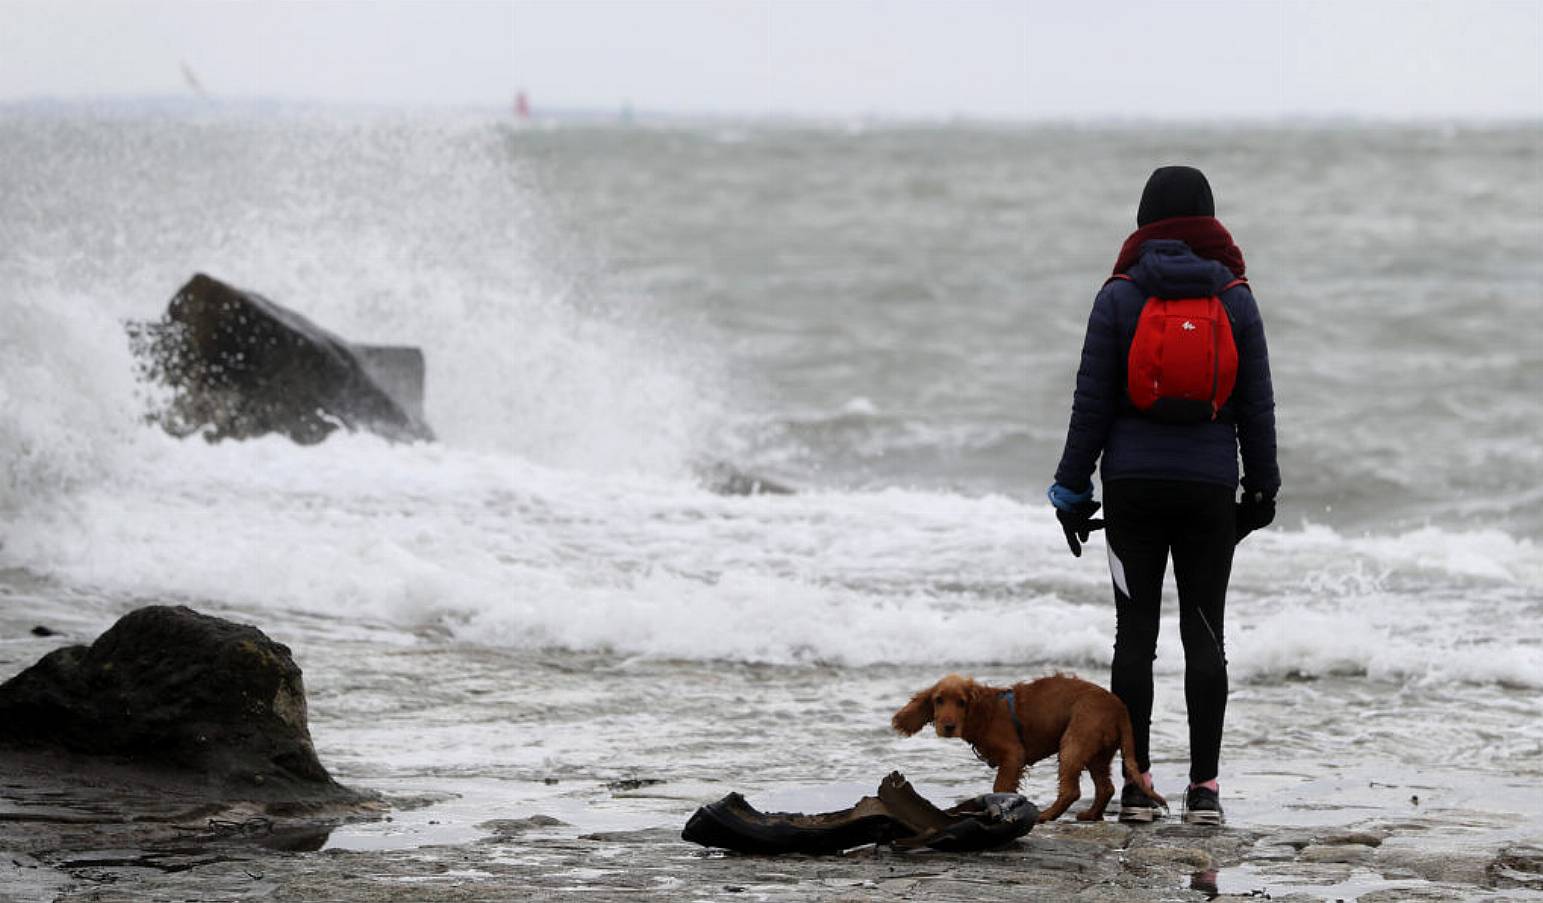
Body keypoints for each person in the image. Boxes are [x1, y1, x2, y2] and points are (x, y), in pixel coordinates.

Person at [1046, 165, 1280, 826]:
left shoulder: (1118, 295)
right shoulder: (1234, 296)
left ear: (1144, 218)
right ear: (1208, 218)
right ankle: (1203, 790)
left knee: (1134, 638)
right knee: (1204, 635)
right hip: (1208, 489)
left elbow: (1089, 405)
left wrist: (1070, 488)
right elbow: (1255, 405)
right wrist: (1260, 488)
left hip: (1131, 492)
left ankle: (1136, 785)